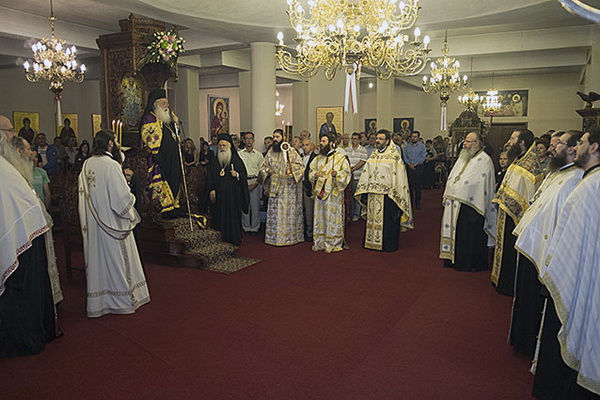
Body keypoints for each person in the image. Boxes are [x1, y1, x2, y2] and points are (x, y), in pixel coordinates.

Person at [533, 127, 600, 399]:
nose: (577, 147)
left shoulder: (590, 188)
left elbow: (571, 245)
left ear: (594, 147)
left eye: (582, 142)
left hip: (581, 278)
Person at [510, 130, 584, 359]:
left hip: (545, 251)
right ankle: (521, 340)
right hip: (532, 245)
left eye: (558, 144)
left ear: (572, 149)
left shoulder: (574, 178)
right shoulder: (558, 173)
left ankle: (528, 343)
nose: (551, 148)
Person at [0, 116, 59, 358]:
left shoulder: (7, 164)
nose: (13, 136)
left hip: (25, 239)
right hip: (18, 244)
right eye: (10, 130)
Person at [78, 129, 150, 318]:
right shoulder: (111, 165)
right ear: (110, 143)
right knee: (118, 262)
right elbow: (121, 201)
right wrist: (131, 197)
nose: (118, 144)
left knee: (99, 262)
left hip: (95, 225)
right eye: (116, 141)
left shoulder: (86, 164)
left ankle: (100, 301)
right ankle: (122, 300)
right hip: (113, 224)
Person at [491, 129, 543, 296]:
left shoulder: (531, 165)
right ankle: (500, 279)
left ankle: (508, 284)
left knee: (511, 249)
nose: (509, 141)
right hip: (505, 212)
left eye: (513, 138)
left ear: (522, 142)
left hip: (516, 218)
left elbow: (529, 194)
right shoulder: (517, 160)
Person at [440, 132, 497, 272]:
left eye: (468, 141)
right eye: (465, 141)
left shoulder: (485, 160)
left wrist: (459, 191)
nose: (464, 144)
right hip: (456, 202)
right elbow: (454, 176)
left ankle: (469, 262)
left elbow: (479, 183)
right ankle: (452, 257)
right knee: (457, 232)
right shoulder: (462, 158)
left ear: (477, 143)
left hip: (472, 205)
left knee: (469, 235)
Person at [355, 129, 413, 252]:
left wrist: (393, 191)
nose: (377, 141)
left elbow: (399, 177)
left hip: (388, 196)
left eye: (381, 139)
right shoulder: (373, 155)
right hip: (373, 194)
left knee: (389, 221)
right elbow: (367, 172)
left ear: (387, 141)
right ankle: (372, 242)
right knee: (372, 219)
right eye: (377, 138)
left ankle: (388, 245)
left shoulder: (394, 157)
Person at [140, 89, 183, 218]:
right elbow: (150, 139)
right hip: (160, 160)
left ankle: (174, 207)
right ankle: (165, 209)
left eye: (167, 103)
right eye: (163, 103)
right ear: (155, 104)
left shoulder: (167, 119)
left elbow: (175, 136)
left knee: (174, 181)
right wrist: (156, 154)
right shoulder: (150, 118)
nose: (167, 106)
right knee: (164, 183)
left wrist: (176, 123)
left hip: (173, 158)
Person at [259, 129, 304, 246]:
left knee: (287, 213)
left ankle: (289, 237)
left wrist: (291, 171)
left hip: (288, 189)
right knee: (275, 214)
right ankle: (273, 237)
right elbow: (263, 167)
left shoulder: (292, 152)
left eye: (277, 137)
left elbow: (300, 166)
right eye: (274, 137)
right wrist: (268, 171)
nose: (275, 139)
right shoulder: (270, 152)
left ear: (283, 137)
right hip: (275, 188)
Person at [203, 134, 249, 245]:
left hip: (233, 197)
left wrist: (237, 174)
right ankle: (219, 239)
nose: (222, 148)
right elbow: (210, 178)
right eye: (220, 145)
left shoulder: (236, 160)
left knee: (232, 218)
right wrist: (211, 189)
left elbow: (243, 176)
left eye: (224, 145)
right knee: (218, 216)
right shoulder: (214, 162)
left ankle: (233, 239)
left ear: (229, 146)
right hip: (219, 197)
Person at [308, 133, 351, 252]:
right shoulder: (318, 158)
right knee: (320, 217)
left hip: (334, 194)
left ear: (332, 143)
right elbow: (311, 172)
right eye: (321, 141)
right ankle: (320, 242)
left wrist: (337, 174)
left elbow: (347, 173)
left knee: (332, 217)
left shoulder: (340, 158)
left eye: (324, 141)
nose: (321, 144)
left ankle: (333, 242)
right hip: (320, 194)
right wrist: (315, 175)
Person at [238, 132, 264, 236]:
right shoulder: (239, 154)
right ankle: (246, 227)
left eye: (251, 138)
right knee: (245, 205)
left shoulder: (258, 155)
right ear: (243, 140)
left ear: (253, 140)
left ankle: (254, 227)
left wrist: (256, 183)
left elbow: (262, 171)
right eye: (247, 138)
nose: (249, 140)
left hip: (255, 181)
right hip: (243, 182)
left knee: (255, 206)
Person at [345, 132, 368, 222]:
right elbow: (344, 160)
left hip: (358, 177)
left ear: (359, 140)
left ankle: (356, 214)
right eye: (352, 138)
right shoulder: (347, 149)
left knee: (357, 196)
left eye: (356, 139)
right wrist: (348, 168)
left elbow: (362, 161)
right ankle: (348, 214)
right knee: (348, 197)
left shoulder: (363, 150)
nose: (354, 141)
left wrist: (353, 168)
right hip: (347, 177)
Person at [403, 131, 426, 209]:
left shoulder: (422, 146)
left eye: (415, 136)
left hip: (418, 167)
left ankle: (417, 203)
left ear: (418, 137)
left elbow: (423, 157)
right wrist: (409, 164)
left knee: (418, 186)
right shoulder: (407, 146)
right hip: (409, 167)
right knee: (409, 186)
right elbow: (405, 156)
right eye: (412, 136)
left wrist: (415, 164)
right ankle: (410, 203)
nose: (413, 138)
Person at [301, 139, 317, 241]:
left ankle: (310, 232)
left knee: (309, 210)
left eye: (307, 145)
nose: (305, 147)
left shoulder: (315, 158)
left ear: (311, 146)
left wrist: (306, 185)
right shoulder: (298, 157)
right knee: (300, 210)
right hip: (298, 186)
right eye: (303, 145)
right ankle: (301, 231)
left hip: (308, 187)